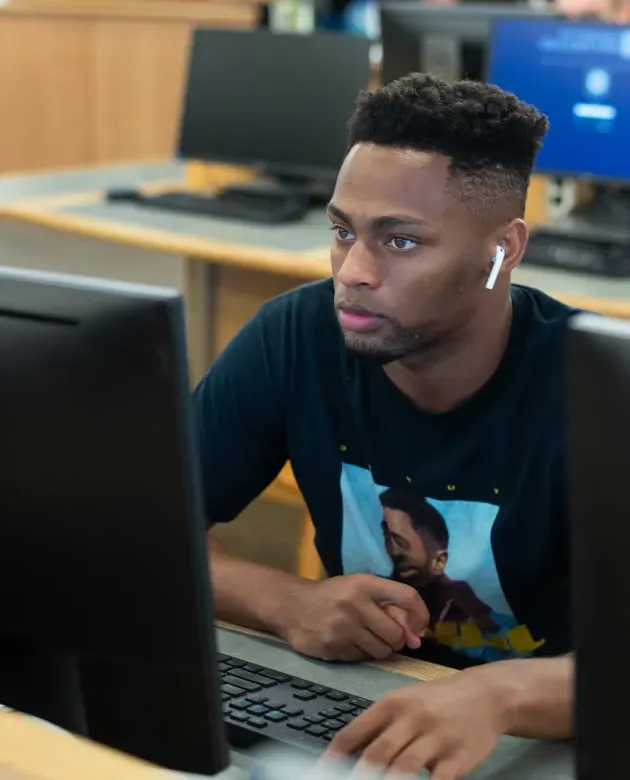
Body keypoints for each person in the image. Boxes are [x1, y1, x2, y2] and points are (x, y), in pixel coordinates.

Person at [195, 73, 574, 779]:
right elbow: (138, 533)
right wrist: (288, 602)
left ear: (503, 251)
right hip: (360, 710)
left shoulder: (594, 384)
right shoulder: (295, 337)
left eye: (400, 242)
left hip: (553, 737)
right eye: (343, 231)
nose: (353, 272)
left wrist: (500, 694)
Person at [380, 488, 499, 633]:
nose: (393, 552)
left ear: (440, 561)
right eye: (386, 536)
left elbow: (495, 633)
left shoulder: (457, 597)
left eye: (400, 541)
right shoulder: (383, 589)